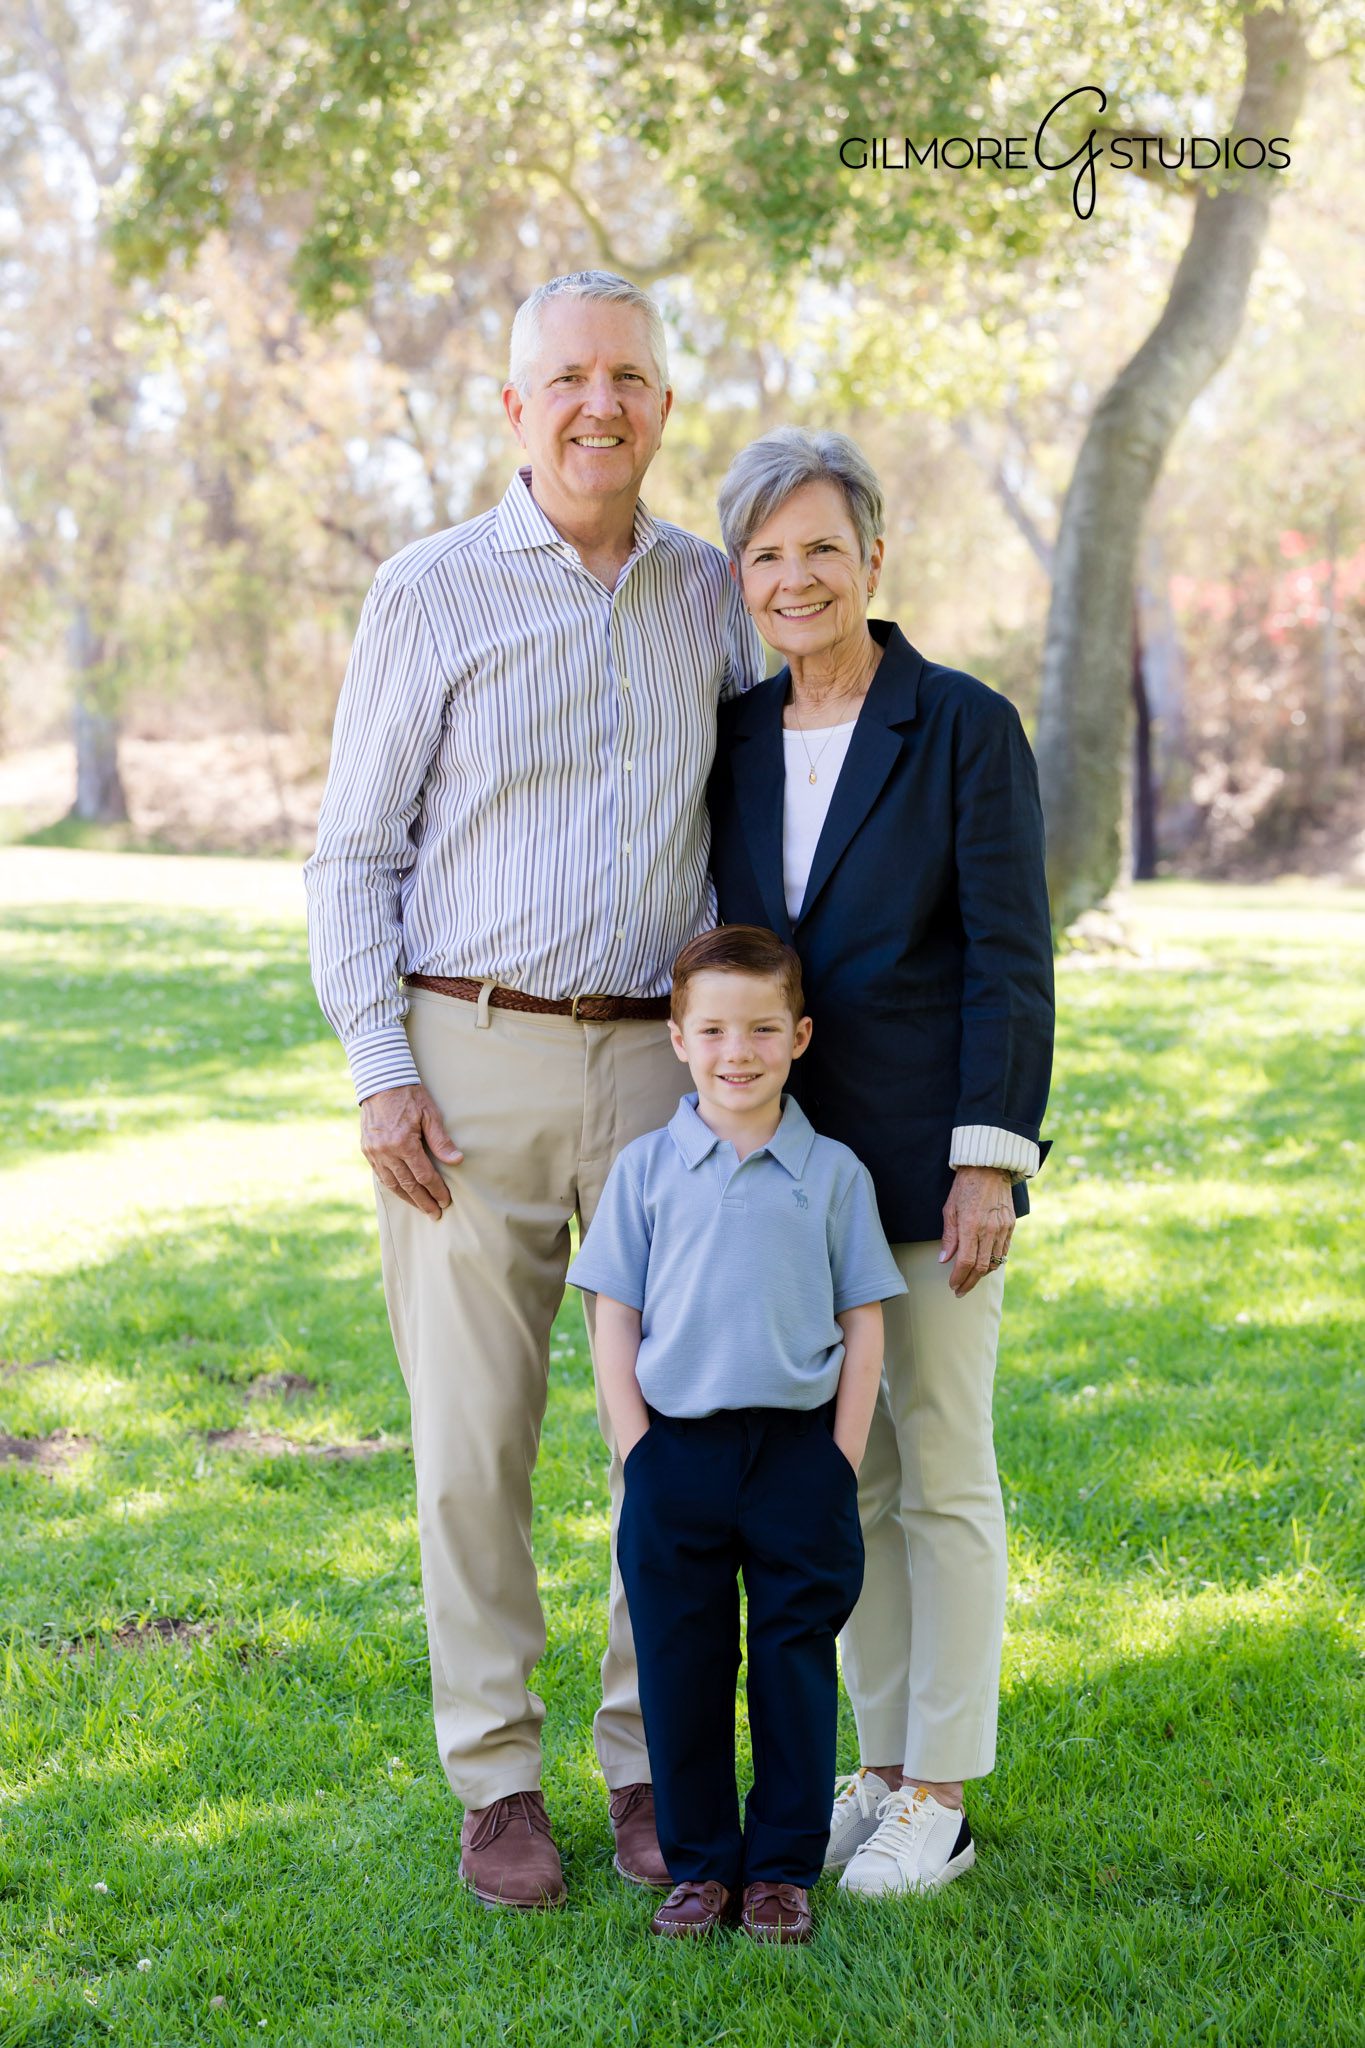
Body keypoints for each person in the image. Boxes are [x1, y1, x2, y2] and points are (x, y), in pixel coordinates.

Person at [303, 271, 762, 1910]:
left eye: (627, 377)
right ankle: (497, 1776)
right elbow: (353, 853)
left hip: (663, 1069)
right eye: (566, 377)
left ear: (662, 406)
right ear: (514, 407)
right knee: (470, 1444)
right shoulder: (430, 590)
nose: (598, 405)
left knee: (679, 1433)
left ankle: (652, 1764)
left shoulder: (712, 594)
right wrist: (381, 1074)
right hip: (468, 1060)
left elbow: (764, 817)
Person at [707, 427, 1054, 1897]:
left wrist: (989, 1161)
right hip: (791, 1174)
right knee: (843, 1477)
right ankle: (882, 1762)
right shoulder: (732, 734)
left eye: (822, 550)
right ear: (741, 575)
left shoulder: (962, 725)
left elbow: (1009, 958)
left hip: (926, 1163)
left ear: (875, 558)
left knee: (942, 1470)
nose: (796, 578)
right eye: (767, 555)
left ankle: (945, 1793)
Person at [567, 925, 907, 1942]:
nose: (737, 1051)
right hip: (675, 1453)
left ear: (798, 1036)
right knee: (682, 1661)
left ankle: (782, 1870)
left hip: (800, 1452)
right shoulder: (645, 1170)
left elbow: (862, 1318)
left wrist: (840, 1455)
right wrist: (638, 1448)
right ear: (677, 1039)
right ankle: (703, 1866)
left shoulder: (834, 1172)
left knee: (794, 1657)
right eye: (712, 1029)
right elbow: (614, 1313)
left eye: (762, 1028)